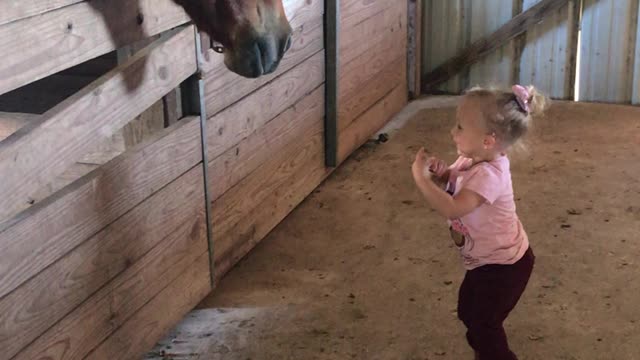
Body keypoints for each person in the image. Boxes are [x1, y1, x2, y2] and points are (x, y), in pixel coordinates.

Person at [411, 84, 548, 360]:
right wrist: (443, 175)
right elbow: (456, 180)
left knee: (484, 327)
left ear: (488, 140)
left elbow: (453, 208)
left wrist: (420, 179)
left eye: (460, 127)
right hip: (483, 261)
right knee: (469, 313)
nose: (453, 132)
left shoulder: (490, 175)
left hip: (504, 267)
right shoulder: (470, 158)